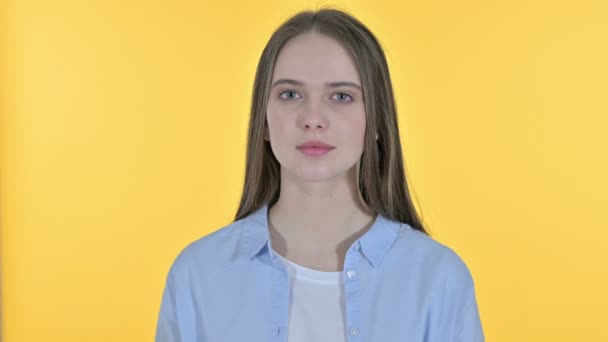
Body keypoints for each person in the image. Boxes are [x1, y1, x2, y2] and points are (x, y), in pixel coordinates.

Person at [155, 8, 484, 342]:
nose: (313, 118)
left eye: (341, 96)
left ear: (376, 122)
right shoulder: (197, 275)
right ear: (264, 120)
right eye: (290, 94)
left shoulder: (439, 279)